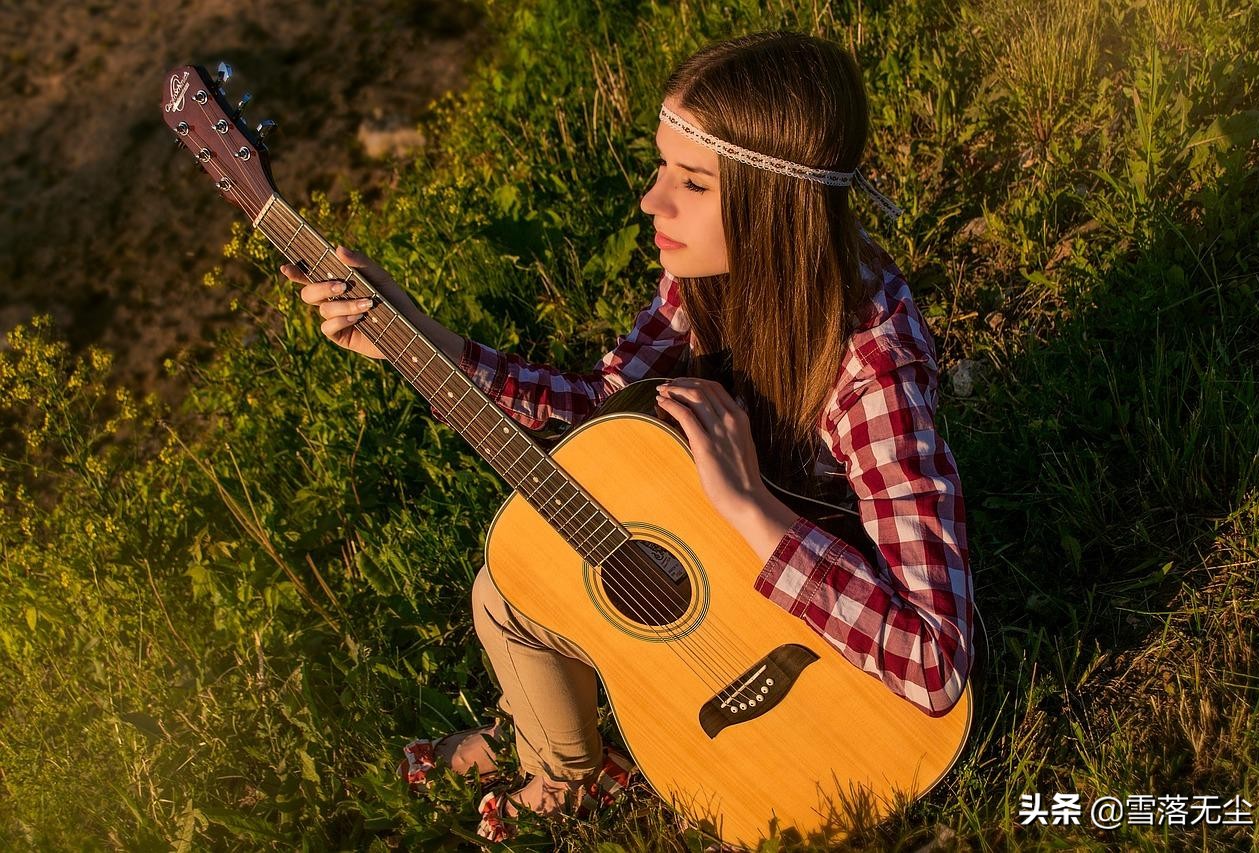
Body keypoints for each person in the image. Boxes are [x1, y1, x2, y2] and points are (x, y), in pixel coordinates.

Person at [281, 30, 974, 843]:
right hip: (723, 563)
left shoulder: (871, 372)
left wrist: (749, 507)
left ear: (771, 205)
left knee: (498, 597)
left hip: (815, 653)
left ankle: (550, 758)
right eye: (659, 167)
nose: (652, 201)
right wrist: (427, 343)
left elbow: (936, 663)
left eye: (691, 182)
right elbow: (600, 407)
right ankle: (567, 766)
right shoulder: (704, 276)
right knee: (508, 581)